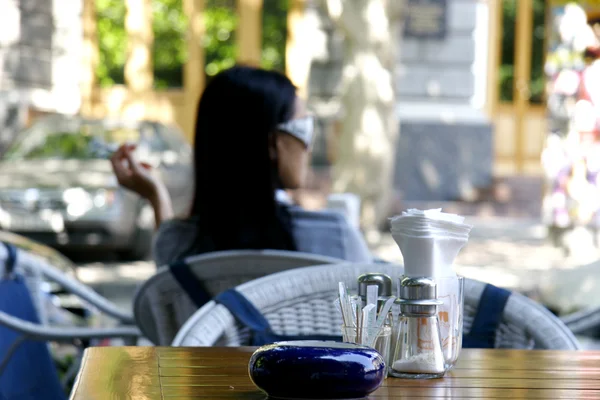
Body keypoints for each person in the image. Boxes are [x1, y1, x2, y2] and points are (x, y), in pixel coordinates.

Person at [111, 66, 372, 266]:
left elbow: (172, 278)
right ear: (272, 143)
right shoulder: (336, 238)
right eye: (304, 128)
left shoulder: (179, 247)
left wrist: (156, 195)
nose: (309, 145)